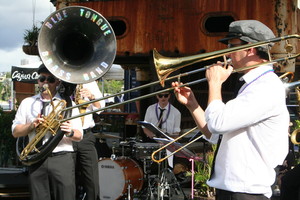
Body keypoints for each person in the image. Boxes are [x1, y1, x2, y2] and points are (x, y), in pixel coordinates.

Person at [172, 20, 289, 200]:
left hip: (246, 191)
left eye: (231, 46)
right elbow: (214, 134)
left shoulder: (266, 87)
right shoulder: (252, 86)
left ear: (250, 49)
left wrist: (215, 83)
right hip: (234, 190)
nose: (227, 53)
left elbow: (218, 124)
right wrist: (192, 104)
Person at [12, 64, 83, 200]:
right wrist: (32, 125)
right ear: (38, 81)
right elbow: (15, 132)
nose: (45, 82)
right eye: (42, 78)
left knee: (66, 197)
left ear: (57, 81)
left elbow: (79, 135)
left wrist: (70, 132)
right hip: (36, 159)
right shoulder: (27, 103)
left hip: (61, 157)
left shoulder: (68, 105)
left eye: (50, 79)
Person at [72, 81, 105, 200]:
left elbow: (100, 108)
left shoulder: (90, 83)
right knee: (68, 179)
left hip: (85, 135)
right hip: (67, 136)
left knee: (91, 177)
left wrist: (92, 97)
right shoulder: (62, 80)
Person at [143, 86, 181, 168]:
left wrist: (168, 141)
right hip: (152, 142)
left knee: (167, 167)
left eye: (166, 95)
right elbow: (145, 127)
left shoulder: (176, 112)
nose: (163, 98)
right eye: (160, 96)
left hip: (167, 144)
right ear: (157, 96)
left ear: (169, 96)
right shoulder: (150, 109)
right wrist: (153, 136)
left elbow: (176, 133)